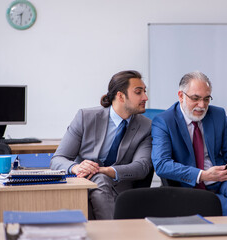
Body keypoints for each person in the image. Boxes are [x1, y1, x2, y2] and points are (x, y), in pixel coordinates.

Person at [50, 70, 152, 220]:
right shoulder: (85, 117)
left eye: (144, 91)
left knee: (98, 184)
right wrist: (77, 167)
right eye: (138, 92)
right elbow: (58, 159)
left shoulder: (146, 126)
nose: (145, 97)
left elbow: (141, 167)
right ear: (120, 96)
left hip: (119, 192)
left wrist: (104, 171)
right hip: (81, 185)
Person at [151, 71, 227, 216]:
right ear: (181, 96)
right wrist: (203, 175)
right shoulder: (164, 121)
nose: (202, 105)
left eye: (207, 99)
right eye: (196, 98)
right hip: (188, 187)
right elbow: (162, 164)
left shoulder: (218, 115)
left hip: (221, 181)